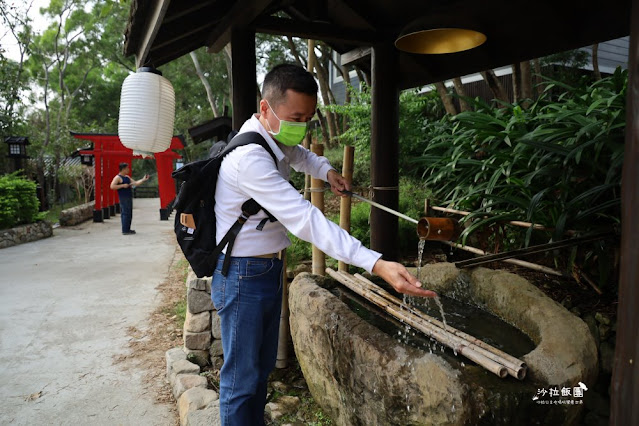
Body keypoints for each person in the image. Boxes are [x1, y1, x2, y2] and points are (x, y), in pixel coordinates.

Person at [212, 63, 436, 426]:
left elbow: (302, 156)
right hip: (242, 273)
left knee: (259, 369)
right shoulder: (250, 158)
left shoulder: (273, 138)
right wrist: (375, 262)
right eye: (295, 117)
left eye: (308, 118)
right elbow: (305, 219)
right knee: (241, 379)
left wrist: (328, 172)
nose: (301, 126)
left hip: (265, 268)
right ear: (265, 108)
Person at [110, 163, 149, 235]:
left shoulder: (127, 177)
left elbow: (135, 183)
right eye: (127, 168)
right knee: (125, 213)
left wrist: (143, 179)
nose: (128, 170)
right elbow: (112, 186)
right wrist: (122, 185)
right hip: (123, 197)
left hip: (128, 196)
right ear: (123, 169)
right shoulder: (117, 177)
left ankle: (128, 228)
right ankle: (125, 230)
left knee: (129, 213)